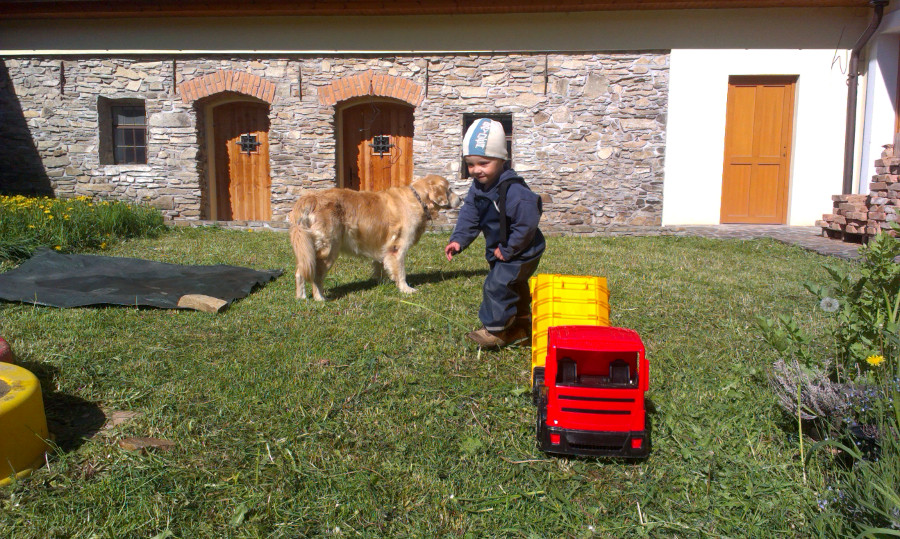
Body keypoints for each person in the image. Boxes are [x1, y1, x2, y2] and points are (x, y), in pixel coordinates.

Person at [445, 118, 545, 348]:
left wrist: (509, 249)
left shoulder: (514, 190)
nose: (476, 170)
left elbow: (527, 222)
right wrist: (459, 240)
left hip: (523, 249)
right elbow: (470, 214)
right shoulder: (479, 188)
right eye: (470, 164)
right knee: (513, 285)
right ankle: (521, 325)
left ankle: (496, 331)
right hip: (503, 249)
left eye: (483, 163)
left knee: (497, 284)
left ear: (502, 159)